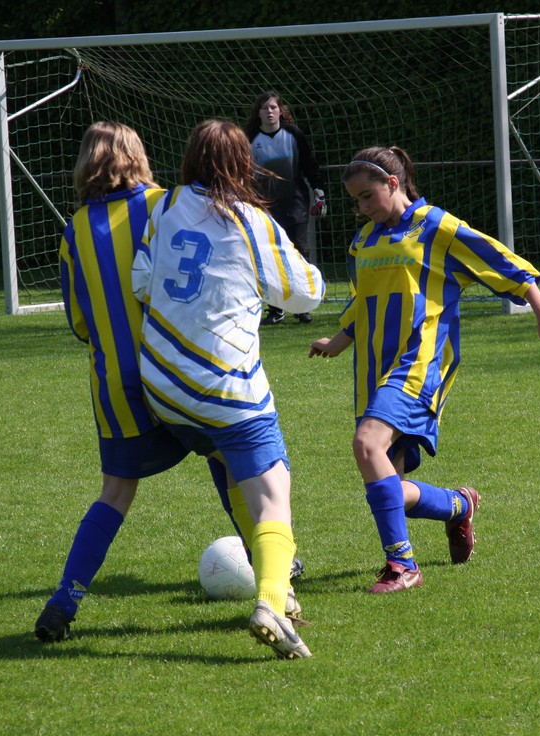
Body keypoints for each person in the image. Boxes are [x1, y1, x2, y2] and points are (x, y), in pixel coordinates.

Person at [36, 121, 279, 644]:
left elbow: (79, 322)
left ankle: (64, 600)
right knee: (229, 457)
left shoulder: (75, 228)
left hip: (114, 384)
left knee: (115, 493)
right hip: (175, 369)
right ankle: (273, 575)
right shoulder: (167, 204)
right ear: (138, 157)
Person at [308, 146, 540, 594]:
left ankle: (402, 566)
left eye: (368, 196)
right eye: (356, 200)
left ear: (394, 183)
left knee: (367, 445)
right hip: (372, 371)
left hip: (420, 363)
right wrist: (337, 341)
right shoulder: (364, 240)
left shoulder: (436, 226)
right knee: (388, 484)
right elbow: (362, 300)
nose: (362, 208)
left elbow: (498, 259)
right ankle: (458, 506)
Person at [132, 119, 325, 658]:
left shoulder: (164, 207)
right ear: (244, 163)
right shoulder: (251, 220)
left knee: (231, 464)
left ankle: (279, 588)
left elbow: (141, 282)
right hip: (224, 387)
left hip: (163, 388)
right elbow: (303, 295)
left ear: (190, 159)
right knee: (274, 491)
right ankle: (271, 601)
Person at [244, 90, 326, 326]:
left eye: (273, 107)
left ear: (280, 111)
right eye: (265, 108)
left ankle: (303, 307)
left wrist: (319, 192)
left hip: (295, 204)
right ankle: (276, 309)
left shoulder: (293, 134)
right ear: (258, 113)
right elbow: (241, 172)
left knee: (300, 252)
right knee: (268, 255)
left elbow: (310, 165)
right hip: (264, 208)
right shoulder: (249, 138)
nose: (269, 112)